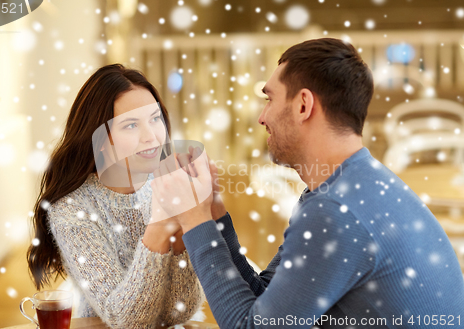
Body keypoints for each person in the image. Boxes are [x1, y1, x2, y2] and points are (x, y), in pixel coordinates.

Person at [151, 38, 464, 328]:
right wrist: (215, 215)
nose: (262, 117)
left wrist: (193, 218)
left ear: (303, 105)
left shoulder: (336, 211)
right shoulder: (346, 187)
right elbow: (265, 300)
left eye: (269, 99)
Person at [27, 64, 203, 329]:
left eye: (155, 119)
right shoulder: (72, 210)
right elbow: (125, 321)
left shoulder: (166, 185)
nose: (151, 137)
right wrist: (161, 223)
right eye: (131, 125)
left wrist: (182, 229)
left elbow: (181, 310)